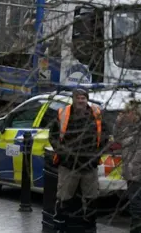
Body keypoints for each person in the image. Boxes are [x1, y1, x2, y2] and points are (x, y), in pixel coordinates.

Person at [49, 87, 109, 224]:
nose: (81, 101)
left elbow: (105, 136)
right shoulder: (63, 113)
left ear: (87, 99)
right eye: (78, 98)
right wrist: (64, 154)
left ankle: (89, 227)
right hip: (69, 166)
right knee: (64, 198)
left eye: (83, 98)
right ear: (73, 99)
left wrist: (96, 156)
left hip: (90, 165)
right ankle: (62, 225)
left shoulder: (96, 113)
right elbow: (52, 137)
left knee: (91, 198)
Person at [115, 103, 141, 233]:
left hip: (140, 174)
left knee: (136, 202)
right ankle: (138, 227)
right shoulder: (129, 129)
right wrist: (118, 123)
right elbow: (118, 138)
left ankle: (138, 228)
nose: (126, 115)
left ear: (137, 115)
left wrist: (133, 172)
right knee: (135, 202)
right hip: (132, 173)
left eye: (128, 113)